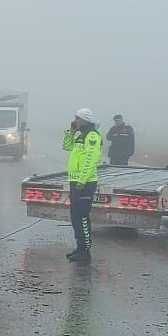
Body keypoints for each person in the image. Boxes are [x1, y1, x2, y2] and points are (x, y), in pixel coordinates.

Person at [63, 110, 104, 262]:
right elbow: (66, 146)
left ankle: (85, 251)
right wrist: (71, 132)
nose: (75, 121)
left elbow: (90, 160)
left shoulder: (92, 136)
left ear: (85, 120)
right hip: (75, 181)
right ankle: (80, 247)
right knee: (75, 216)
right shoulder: (80, 134)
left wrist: (82, 180)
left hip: (85, 183)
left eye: (77, 119)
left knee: (82, 216)